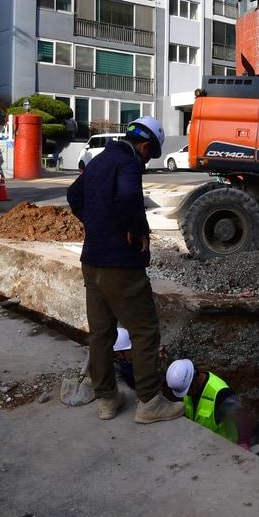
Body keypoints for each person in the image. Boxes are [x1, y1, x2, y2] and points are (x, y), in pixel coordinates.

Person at [66, 116, 181, 425]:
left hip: (91, 262)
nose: (146, 162)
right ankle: (149, 403)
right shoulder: (129, 162)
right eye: (149, 155)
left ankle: (106, 400)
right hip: (121, 265)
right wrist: (136, 228)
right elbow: (130, 196)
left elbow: (74, 197)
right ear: (144, 146)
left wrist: (97, 224)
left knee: (101, 333)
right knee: (143, 331)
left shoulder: (101, 159)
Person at [165, 359, 249, 446]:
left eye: (188, 390)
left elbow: (242, 418)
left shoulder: (220, 393)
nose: (187, 394)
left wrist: (243, 442)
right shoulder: (187, 388)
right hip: (203, 446)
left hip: (225, 447)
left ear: (194, 377)